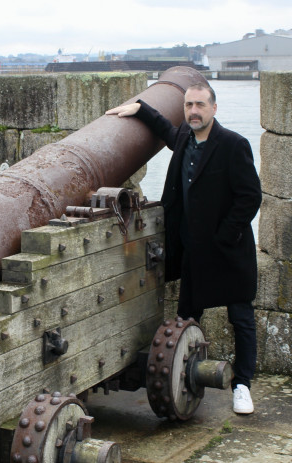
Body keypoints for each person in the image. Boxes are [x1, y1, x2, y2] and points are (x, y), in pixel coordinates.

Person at [106, 82, 262, 415]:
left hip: (230, 252)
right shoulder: (183, 140)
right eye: (189, 105)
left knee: (241, 319)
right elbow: (165, 128)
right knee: (186, 318)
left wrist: (224, 236)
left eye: (200, 105)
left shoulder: (234, 144)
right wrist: (140, 109)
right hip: (195, 254)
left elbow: (250, 197)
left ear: (214, 108)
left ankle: (243, 386)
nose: (193, 111)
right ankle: (179, 376)